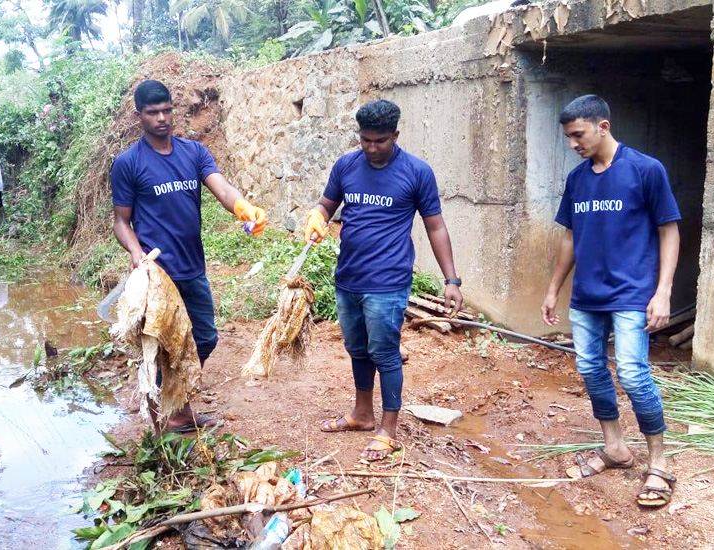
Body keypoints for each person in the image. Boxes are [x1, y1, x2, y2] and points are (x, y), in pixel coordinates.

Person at [538, 95, 681, 509]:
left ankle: (659, 461)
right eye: (568, 137)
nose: (573, 144)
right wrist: (553, 288)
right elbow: (569, 237)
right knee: (590, 369)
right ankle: (615, 447)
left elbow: (669, 231)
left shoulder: (645, 170)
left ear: (603, 126)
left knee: (634, 374)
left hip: (631, 294)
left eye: (578, 135)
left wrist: (663, 291)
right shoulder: (578, 179)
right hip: (587, 296)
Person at [302, 100, 461, 462]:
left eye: (380, 141)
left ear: (396, 136)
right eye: (365, 140)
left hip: (388, 282)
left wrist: (451, 279)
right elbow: (328, 204)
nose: (372, 148)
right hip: (348, 278)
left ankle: (388, 429)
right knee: (357, 349)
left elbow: (435, 226)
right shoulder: (346, 165)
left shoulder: (417, 172)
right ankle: (361, 413)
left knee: (386, 353)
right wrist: (318, 215)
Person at [109, 79, 269, 433]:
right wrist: (137, 254)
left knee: (204, 338)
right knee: (165, 345)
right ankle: (168, 416)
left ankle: (175, 405)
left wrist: (244, 208)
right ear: (140, 117)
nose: (162, 118)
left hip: (192, 267)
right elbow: (122, 222)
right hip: (158, 276)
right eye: (153, 113)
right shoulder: (128, 163)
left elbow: (222, 188)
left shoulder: (193, 153)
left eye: (167, 110)